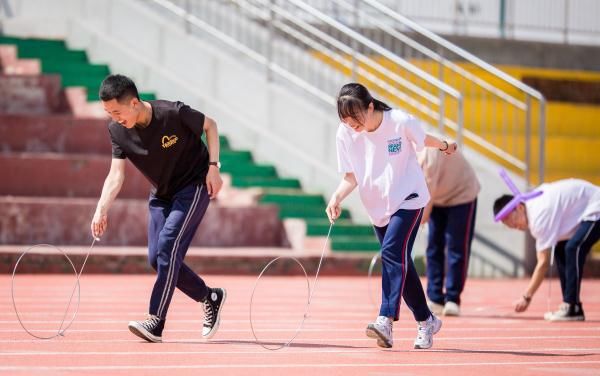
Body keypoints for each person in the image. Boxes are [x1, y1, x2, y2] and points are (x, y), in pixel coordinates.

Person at [90, 74, 226, 342]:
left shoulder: (173, 113)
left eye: (117, 111)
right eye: (108, 112)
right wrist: (100, 209)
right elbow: (116, 175)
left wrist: (214, 168)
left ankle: (156, 321)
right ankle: (209, 296)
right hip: (162, 195)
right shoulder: (116, 130)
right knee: (157, 258)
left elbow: (211, 126)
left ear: (135, 103)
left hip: (194, 185)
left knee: (167, 249)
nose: (114, 118)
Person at [326, 82, 457, 349]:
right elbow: (351, 176)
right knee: (400, 262)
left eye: (356, 118)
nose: (352, 125)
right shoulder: (345, 134)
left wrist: (445, 144)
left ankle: (385, 318)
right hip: (378, 208)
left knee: (391, 253)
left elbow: (424, 139)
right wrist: (337, 197)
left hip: (409, 198)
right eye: (346, 120)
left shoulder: (399, 121)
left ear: (370, 106)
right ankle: (426, 320)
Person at [493, 178, 600, 321]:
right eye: (506, 224)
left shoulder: (538, 216)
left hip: (596, 207)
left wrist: (527, 297)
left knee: (573, 248)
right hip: (586, 208)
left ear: (519, 207)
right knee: (561, 249)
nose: (513, 226)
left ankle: (572, 306)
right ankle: (570, 305)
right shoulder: (532, 205)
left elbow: (542, 264)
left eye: (511, 220)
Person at [417, 146, 480, 317]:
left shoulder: (428, 151)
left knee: (456, 246)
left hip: (461, 194)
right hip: (438, 198)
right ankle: (435, 298)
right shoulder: (398, 152)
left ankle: (453, 298)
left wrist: (416, 221)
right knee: (433, 247)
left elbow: (427, 191)